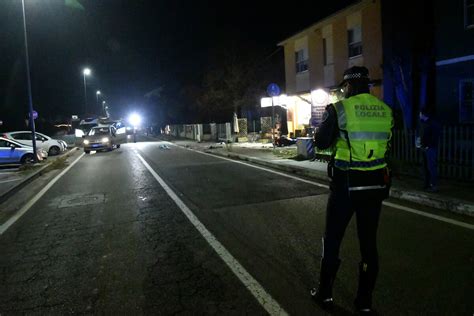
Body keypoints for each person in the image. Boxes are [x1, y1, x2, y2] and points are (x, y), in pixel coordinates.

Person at [310, 66, 393, 314]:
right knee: (369, 245)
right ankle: (364, 303)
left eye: (343, 87)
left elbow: (321, 141)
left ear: (347, 86)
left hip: (346, 185)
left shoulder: (340, 110)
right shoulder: (385, 110)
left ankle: (325, 295)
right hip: (375, 185)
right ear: (367, 85)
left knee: (333, 239)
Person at [418, 109, 440, 192]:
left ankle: (433, 185)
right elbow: (422, 135)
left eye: (420, 114)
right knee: (425, 167)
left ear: (424, 114)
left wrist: (427, 146)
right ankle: (426, 184)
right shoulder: (424, 123)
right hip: (425, 148)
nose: (419, 116)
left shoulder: (432, 123)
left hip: (430, 148)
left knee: (431, 167)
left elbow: (434, 137)